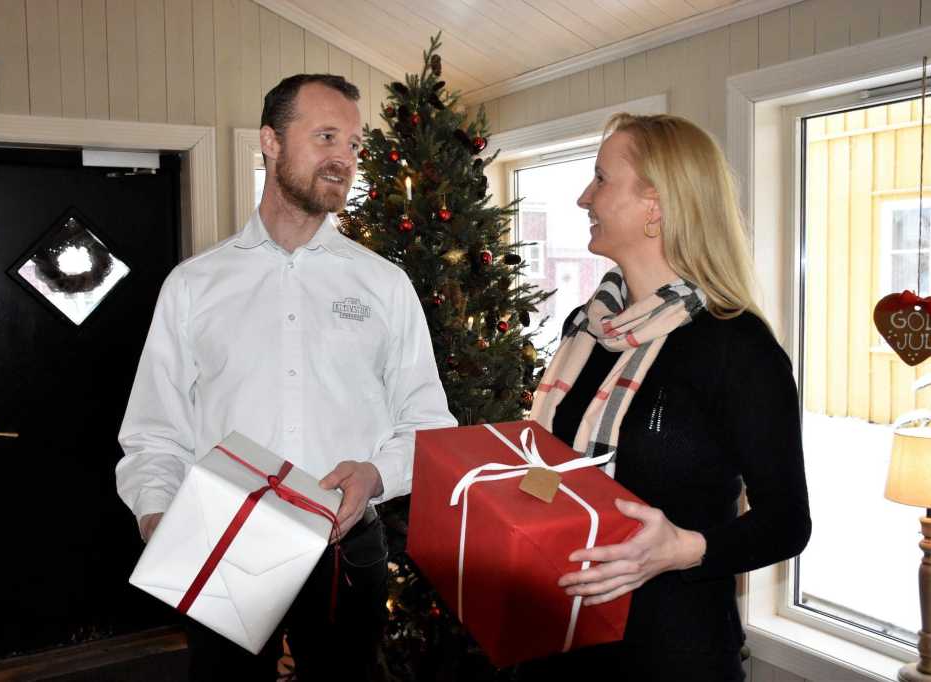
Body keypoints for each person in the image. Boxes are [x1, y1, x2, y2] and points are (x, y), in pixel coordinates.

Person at [115, 74, 456, 681]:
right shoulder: (193, 285)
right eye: (325, 136)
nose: (344, 158)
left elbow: (429, 422)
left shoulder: (384, 286)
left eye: (353, 144)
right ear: (270, 142)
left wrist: (377, 474)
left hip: (347, 548)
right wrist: (157, 516)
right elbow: (153, 430)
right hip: (224, 539)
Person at [523, 113, 811, 681]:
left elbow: (787, 522)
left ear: (654, 204)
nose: (584, 197)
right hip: (559, 639)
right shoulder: (586, 330)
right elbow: (550, 468)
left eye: (601, 179)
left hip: (673, 653)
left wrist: (683, 548)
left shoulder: (737, 347)